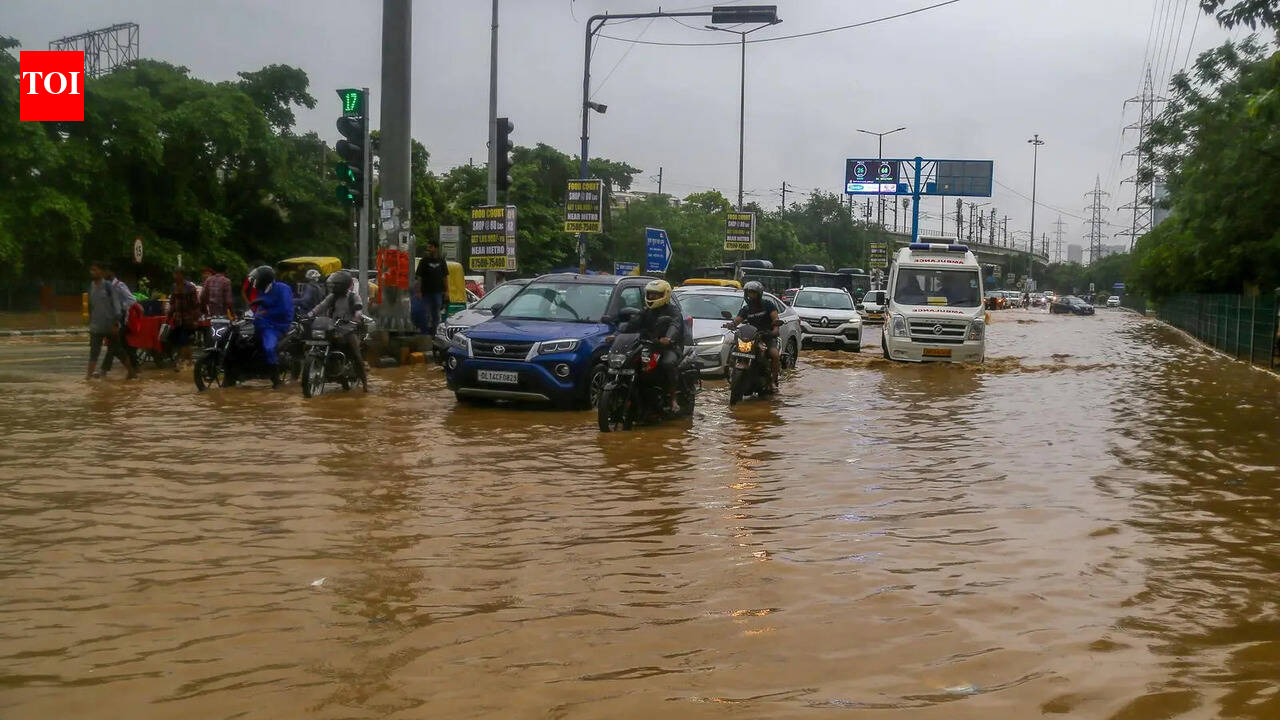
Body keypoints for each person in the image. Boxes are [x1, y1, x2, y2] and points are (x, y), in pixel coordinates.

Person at [619, 279, 684, 412]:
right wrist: (617, 335)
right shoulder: (645, 311)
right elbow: (633, 324)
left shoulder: (673, 311)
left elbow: (675, 325)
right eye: (650, 294)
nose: (652, 297)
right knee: (630, 362)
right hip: (648, 346)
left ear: (664, 295)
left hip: (669, 347)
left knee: (667, 363)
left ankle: (672, 399)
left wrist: (668, 338)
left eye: (656, 295)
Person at [307, 270, 369, 391]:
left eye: (335, 285)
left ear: (343, 285)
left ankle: (365, 383)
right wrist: (310, 314)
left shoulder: (353, 296)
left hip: (349, 329)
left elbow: (358, 310)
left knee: (356, 355)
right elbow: (321, 306)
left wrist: (355, 318)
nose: (333, 287)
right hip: (333, 327)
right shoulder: (332, 296)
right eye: (332, 285)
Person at [86, 262, 137, 380]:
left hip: (110, 326)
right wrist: (90, 323)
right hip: (96, 327)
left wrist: (115, 323)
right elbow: (92, 306)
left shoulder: (109, 287)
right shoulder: (91, 286)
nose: (92, 272)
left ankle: (131, 372)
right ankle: (88, 378)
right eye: (91, 270)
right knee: (94, 352)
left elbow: (117, 306)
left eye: (95, 270)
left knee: (119, 351)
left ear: (101, 272)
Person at [728, 280, 781, 391]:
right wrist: (731, 324)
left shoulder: (768, 305)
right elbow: (737, 320)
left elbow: (775, 319)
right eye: (748, 292)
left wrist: (775, 329)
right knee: (733, 348)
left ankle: (773, 380)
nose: (750, 295)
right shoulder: (746, 309)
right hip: (752, 337)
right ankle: (730, 374)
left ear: (759, 293)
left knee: (774, 354)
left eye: (753, 292)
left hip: (767, 336)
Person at [247, 265, 294, 386]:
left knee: (269, 347)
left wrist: (265, 311)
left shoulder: (283, 289)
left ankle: (275, 378)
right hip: (261, 323)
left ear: (264, 280)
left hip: (277, 325)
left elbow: (285, 309)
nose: (254, 282)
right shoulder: (262, 290)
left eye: (256, 279)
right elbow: (259, 309)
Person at [168, 268, 200, 366]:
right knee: (181, 340)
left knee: (183, 339)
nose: (175, 276)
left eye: (177, 274)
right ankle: (189, 361)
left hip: (188, 318)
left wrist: (195, 319)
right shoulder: (174, 287)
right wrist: (169, 315)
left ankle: (180, 361)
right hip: (178, 318)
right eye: (174, 274)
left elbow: (195, 304)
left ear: (182, 275)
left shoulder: (190, 287)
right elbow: (172, 302)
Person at [415, 241, 448, 334]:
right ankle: (424, 333)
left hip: (438, 292)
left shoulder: (441, 261)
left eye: (431, 247)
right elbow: (419, 277)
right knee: (423, 312)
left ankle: (434, 333)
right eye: (428, 247)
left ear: (436, 248)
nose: (429, 249)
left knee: (436, 313)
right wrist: (418, 291)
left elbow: (445, 277)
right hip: (425, 292)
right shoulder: (424, 261)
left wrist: (447, 291)